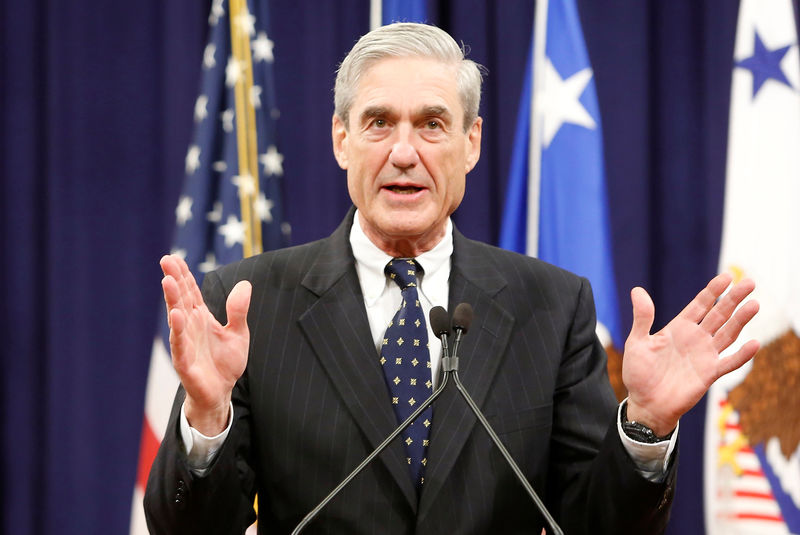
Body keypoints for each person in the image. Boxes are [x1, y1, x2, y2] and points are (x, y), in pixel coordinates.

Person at [144, 22, 759, 534]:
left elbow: (600, 526)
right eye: (379, 122)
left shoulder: (551, 305)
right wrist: (205, 416)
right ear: (341, 140)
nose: (404, 152)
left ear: (471, 143)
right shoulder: (251, 306)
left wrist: (645, 424)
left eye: (432, 124)